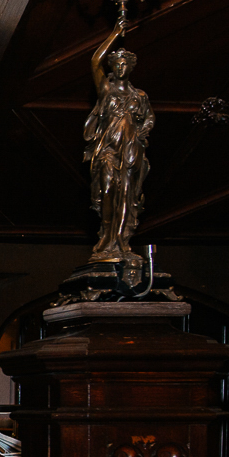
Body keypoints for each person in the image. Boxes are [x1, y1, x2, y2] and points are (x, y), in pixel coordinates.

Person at [82, 23, 154, 278]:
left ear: (131, 67)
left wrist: (144, 129)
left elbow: (149, 118)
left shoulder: (140, 95)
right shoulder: (106, 88)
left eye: (125, 63)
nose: (121, 67)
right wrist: (114, 33)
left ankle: (122, 242)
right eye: (117, 63)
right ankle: (106, 240)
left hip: (131, 149)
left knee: (127, 194)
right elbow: (94, 61)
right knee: (108, 190)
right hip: (108, 149)